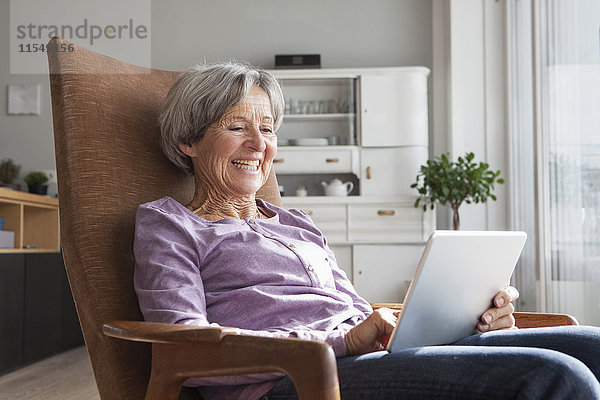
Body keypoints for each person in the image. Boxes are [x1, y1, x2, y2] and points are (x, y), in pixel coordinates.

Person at [133, 62, 600, 400]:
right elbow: (186, 348)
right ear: (188, 141)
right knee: (555, 377)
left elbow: (355, 311)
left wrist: (464, 319)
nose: (260, 145)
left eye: (269, 129)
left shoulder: (296, 223)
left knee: (592, 346)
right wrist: (340, 342)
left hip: (369, 355)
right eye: (238, 127)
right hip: (287, 382)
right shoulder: (170, 225)